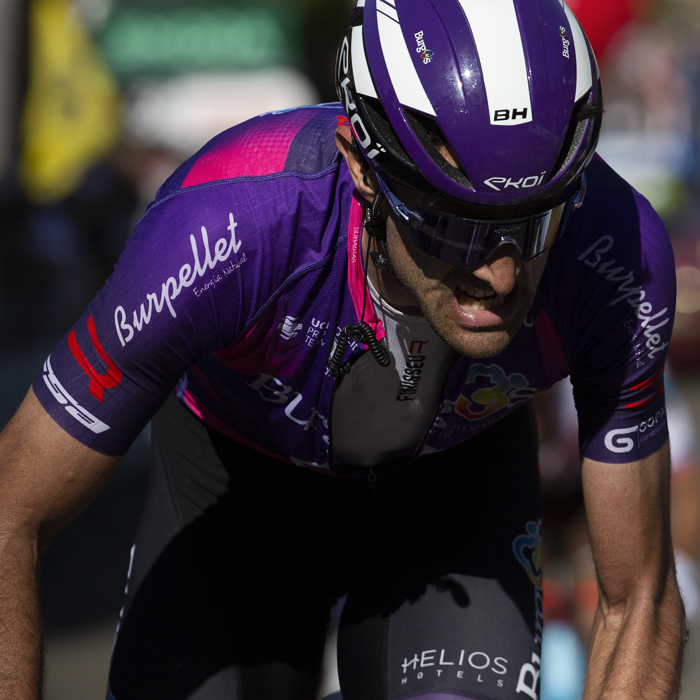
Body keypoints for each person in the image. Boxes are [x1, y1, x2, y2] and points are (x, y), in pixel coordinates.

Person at [0, 1, 685, 699]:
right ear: (362, 163)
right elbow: (12, 512)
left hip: (451, 500)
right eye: (455, 224)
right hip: (235, 498)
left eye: (535, 221)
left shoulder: (614, 254)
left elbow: (639, 601)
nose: (500, 275)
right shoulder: (229, 229)